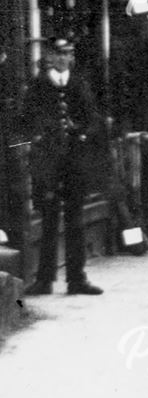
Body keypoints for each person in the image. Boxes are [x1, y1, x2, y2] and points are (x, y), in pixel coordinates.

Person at [20, 37, 103, 295]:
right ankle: (45, 280)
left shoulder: (80, 84)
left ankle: (77, 279)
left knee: (76, 219)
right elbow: (25, 120)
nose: (64, 58)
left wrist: (83, 134)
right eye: (59, 54)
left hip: (75, 162)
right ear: (50, 57)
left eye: (68, 53)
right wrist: (37, 138)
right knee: (49, 219)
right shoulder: (37, 86)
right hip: (48, 162)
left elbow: (93, 119)